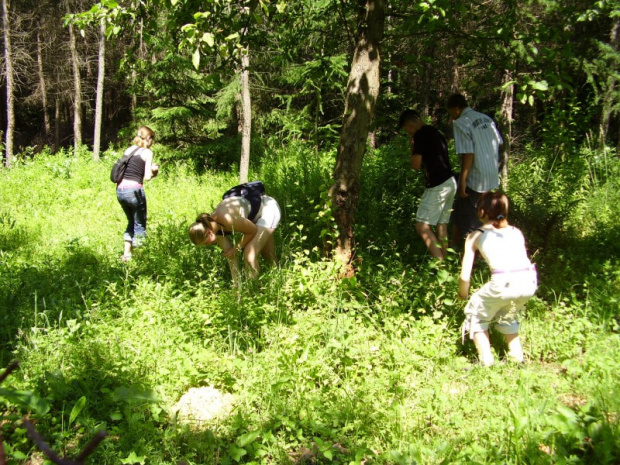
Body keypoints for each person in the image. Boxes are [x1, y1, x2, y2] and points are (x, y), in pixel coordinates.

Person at [458, 191, 537, 367]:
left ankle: (486, 361)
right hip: (529, 281)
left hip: (504, 282)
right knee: (508, 313)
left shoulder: (475, 236)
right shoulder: (516, 232)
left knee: (476, 311)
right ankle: (518, 358)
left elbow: (464, 276)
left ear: (481, 212)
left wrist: (463, 295)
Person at [188, 184, 281, 283]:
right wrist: (236, 284)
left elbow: (252, 231)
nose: (208, 245)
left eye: (205, 243)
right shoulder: (216, 231)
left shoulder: (226, 219)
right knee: (268, 256)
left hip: (267, 208)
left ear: (209, 233)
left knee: (249, 253)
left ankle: (251, 292)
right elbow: (231, 256)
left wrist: (236, 248)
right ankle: (279, 280)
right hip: (255, 216)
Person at [399, 109, 457, 260]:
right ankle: (446, 264)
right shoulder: (435, 132)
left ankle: (440, 264)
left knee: (421, 226)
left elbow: (415, 165)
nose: (409, 133)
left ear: (410, 125)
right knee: (441, 224)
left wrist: (412, 147)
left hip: (438, 184)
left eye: (407, 130)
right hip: (450, 182)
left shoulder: (420, 135)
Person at [446, 93, 503, 243]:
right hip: (491, 175)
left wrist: (463, 181)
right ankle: (455, 245)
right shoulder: (486, 119)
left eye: (451, 112)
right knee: (461, 210)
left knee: (475, 219)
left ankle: (475, 254)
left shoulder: (461, 123)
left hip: (476, 178)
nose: (452, 116)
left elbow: (468, 153)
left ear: (457, 108)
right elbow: (499, 142)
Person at [116, 126, 159, 262]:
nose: (152, 142)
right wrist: (154, 170)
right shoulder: (147, 153)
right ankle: (140, 258)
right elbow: (147, 176)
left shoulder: (128, 150)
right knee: (140, 224)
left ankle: (127, 254)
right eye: (152, 139)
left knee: (131, 221)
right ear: (148, 139)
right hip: (134, 191)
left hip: (120, 190)